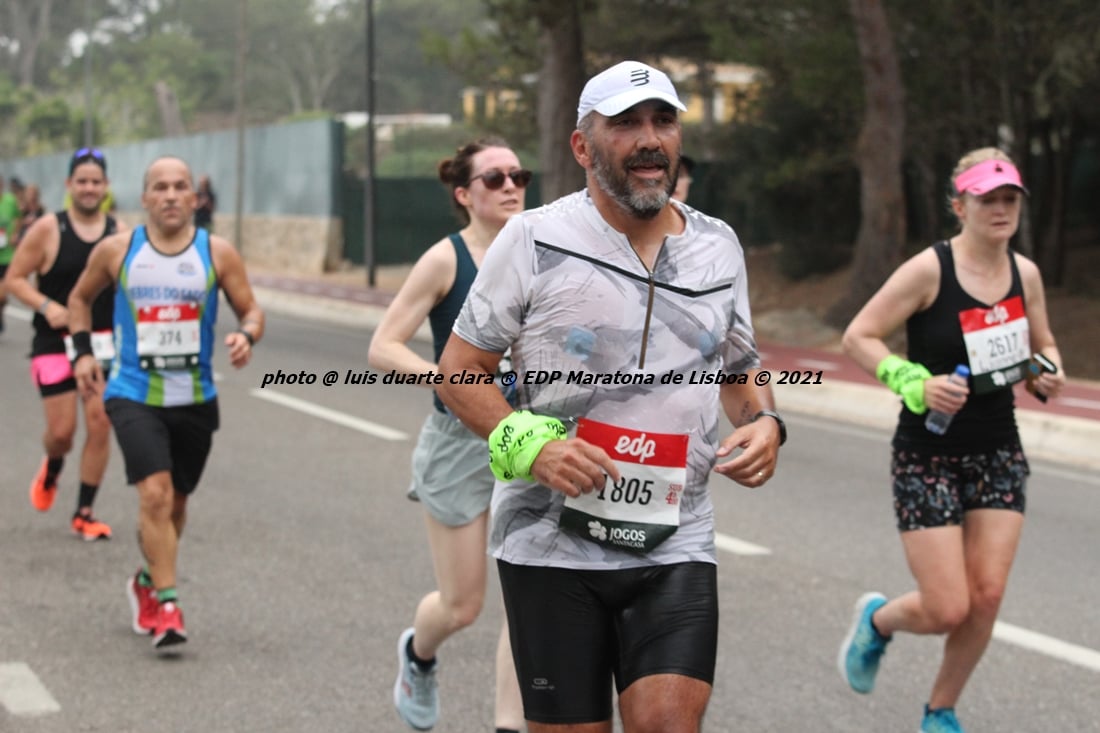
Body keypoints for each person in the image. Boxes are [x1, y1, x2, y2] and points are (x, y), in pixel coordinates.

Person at [435, 60, 785, 732]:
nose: (649, 138)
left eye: (663, 120)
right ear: (582, 145)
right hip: (550, 543)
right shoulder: (533, 239)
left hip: (674, 540)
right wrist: (532, 445)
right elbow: (459, 371)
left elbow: (739, 367)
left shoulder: (718, 247)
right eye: (625, 124)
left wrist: (766, 424)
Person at [838, 147, 1065, 733]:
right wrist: (912, 381)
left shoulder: (1026, 274)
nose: (1000, 208)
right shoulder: (928, 270)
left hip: (997, 450)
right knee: (946, 607)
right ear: (959, 204)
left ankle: (940, 710)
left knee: (986, 595)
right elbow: (859, 336)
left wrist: (1046, 371)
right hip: (928, 454)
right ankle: (880, 621)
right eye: (988, 198)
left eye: (1009, 198)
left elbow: (1044, 347)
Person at [69, 155, 264, 652]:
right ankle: (168, 605)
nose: (172, 195)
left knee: (176, 504)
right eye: (161, 187)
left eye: (181, 186)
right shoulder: (118, 250)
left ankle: (147, 579)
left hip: (195, 397)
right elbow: (79, 299)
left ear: (194, 198)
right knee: (153, 495)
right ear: (145, 198)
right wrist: (84, 354)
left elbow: (251, 309)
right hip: (132, 392)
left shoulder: (217, 253)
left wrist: (246, 335)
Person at [368, 137, 528, 732]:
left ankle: (509, 725)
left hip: (530, 440)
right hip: (460, 444)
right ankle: (419, 652)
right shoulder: (445, 260)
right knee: (463, 605)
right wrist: (452, 380)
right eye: (494, 178)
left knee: (529, 600)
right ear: (464, 194)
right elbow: (383, 346)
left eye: (518, 174)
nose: (511, 185)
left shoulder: (543, 251)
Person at [3, 149, 124, 539]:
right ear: (69, 185)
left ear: (105, 187)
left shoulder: (119, 233)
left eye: (96, 182)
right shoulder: (49, 229)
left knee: (101, 421)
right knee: (62, 432)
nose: (89, 188)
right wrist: (46, 305)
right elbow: (14, 279)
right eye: (82, 181)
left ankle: (85, 511)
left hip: (102, 343)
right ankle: (53, 465)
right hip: (54, 341)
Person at [0, 175, 23, 333]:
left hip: (7, 254)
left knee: (2, 296)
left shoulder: (10, 200)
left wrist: (15, 233)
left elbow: (18, 218)